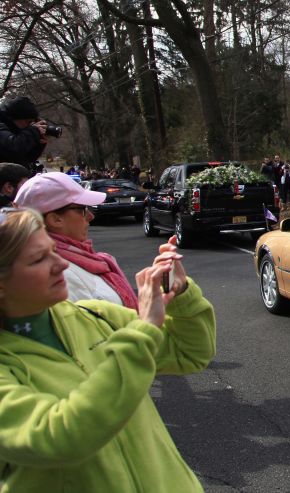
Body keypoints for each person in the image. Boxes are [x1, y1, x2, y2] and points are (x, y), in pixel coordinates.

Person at [0, 208, 215, 492]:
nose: (61, 264)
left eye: (53, 250)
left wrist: (180, 294)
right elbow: (58, 437)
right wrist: (144, 329)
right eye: (39, 259)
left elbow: (190, 353)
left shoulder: (95, 315)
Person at [15, 172, 139, 309]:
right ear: (55, 219)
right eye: (82, 210)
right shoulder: (58, 276)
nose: (90, 216)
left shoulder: (82, 259)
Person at [0, 95, 48, 171]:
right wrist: (33, 131)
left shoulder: (17, 131)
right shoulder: (2, 127)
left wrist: (39, 143)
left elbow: (27, 158)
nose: (29, 125)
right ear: (13, 118)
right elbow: (14, 148)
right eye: (28, 122)